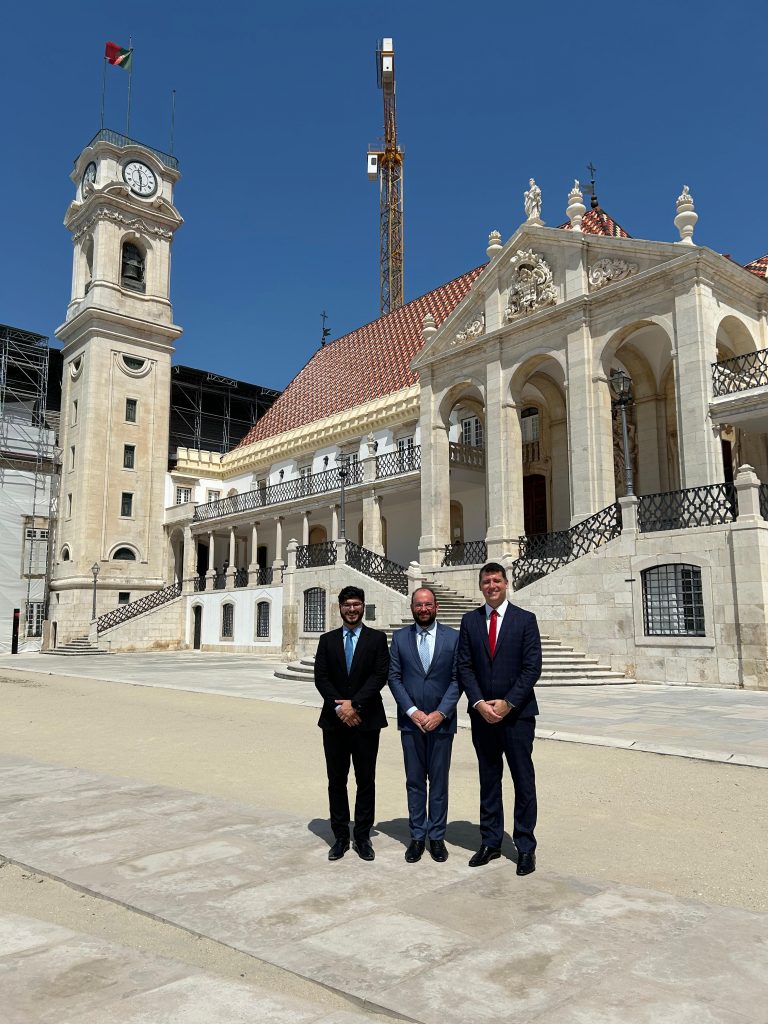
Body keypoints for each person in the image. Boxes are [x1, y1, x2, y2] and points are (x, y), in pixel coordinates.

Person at [457, 562, 542, 875]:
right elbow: (464, 666)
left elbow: (532, 667)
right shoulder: (470, 621)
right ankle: (491, 841)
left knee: (523, 780)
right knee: (489, 779)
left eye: (496, 580)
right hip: (482, 717)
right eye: (486, 581)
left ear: (506, 583)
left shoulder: (525, 620)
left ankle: (525, 846)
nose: (491, 586)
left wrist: (508, 703)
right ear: (480, 586)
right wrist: (479, 703)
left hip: (517, 716)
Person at [314, 585, 389, 862]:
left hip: (366, 720)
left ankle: (362, 836)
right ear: (340, 608)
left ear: (363, 606)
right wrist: (340, 707)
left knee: (365, 780)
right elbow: (321, 677)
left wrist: (354, 705)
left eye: (356, 604)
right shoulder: (327, 640)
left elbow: (379, 675)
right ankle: (340, 836)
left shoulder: (376, 639)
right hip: (334, 722)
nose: (352, 609)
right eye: (347, 605)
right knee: (337, 780)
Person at [388, 587, 459, 863]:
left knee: (439, 783)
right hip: (412, 724)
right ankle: (417, 836)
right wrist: (413, 712)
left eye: (428, 604)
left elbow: (458, 679)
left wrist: (441, 712)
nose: (424, 609)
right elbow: (394, 677)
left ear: (436, 607)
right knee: (415, 782)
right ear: (412, 608)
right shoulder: (400, 638)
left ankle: (437, 837)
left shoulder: (453, 637)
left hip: (442, 724)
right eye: (418, 605)